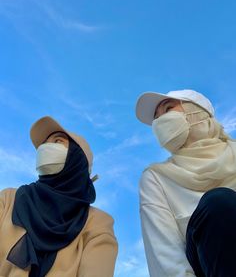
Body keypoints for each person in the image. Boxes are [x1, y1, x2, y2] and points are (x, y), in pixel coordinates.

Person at [0, 116, 118, 277]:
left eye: (57, 141)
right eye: (44, 144)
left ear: (76, 159)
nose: (46, 148)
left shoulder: (97, 223)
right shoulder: (8, 199)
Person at [135, 89, 236, 277]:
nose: (159, 122)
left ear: (196, 111)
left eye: (168, 109)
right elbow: (165, 256)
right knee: (219, 203)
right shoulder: (156, 177)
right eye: (156, 118)